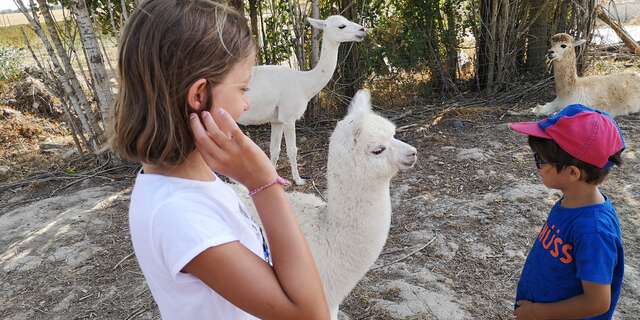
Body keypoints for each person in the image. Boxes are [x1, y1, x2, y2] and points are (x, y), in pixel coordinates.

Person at [107, 0, 329, 319]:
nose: (247, 104)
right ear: (199, 96)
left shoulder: (191, 182)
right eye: (242, 89)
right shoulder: (179, 216)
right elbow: (311, 315)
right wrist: (264, 183)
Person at [509, 104, 625, 320]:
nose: (537, 167)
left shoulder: (594, 230)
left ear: (572, 172)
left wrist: (537, 312)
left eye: (540, 160)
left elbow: (598, 302)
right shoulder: (570, 201)